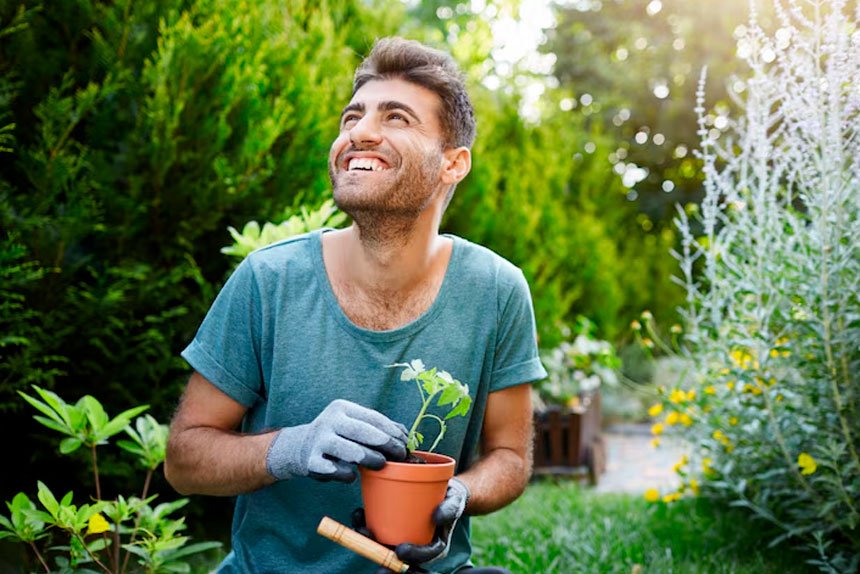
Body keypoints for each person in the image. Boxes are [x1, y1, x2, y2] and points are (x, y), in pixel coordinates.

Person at [164, 36, 547, 574]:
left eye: (396, 118)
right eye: (352, 117)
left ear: (453, 164)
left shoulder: (497, 290)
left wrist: (456, 495)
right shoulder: (268, 280)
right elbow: (184, 459)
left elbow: (509, 457)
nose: (359, 133)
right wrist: (291, 448)